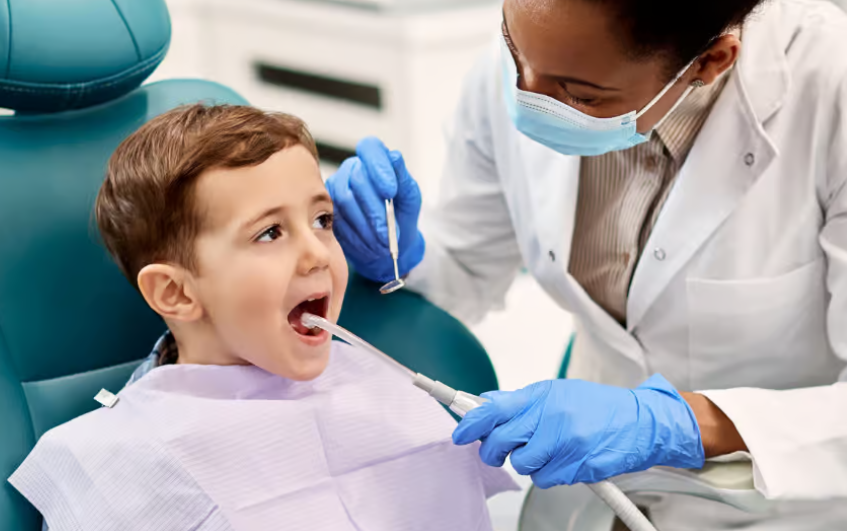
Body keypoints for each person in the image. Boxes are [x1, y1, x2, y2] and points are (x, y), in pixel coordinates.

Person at [326, 0, 847, 529]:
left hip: (788, 503)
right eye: (514, 49)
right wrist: (392, 260)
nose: (525, 97)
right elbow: (465, 269)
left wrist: (680, 424)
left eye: (581, 94)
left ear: (711, 61)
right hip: (589, 489)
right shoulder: (533, 65)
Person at [8, 104, 515, 531]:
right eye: (270, 233)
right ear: (176, 292)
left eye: (322, 220)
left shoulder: (385, 391)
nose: (317, 253)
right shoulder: (118, 464)